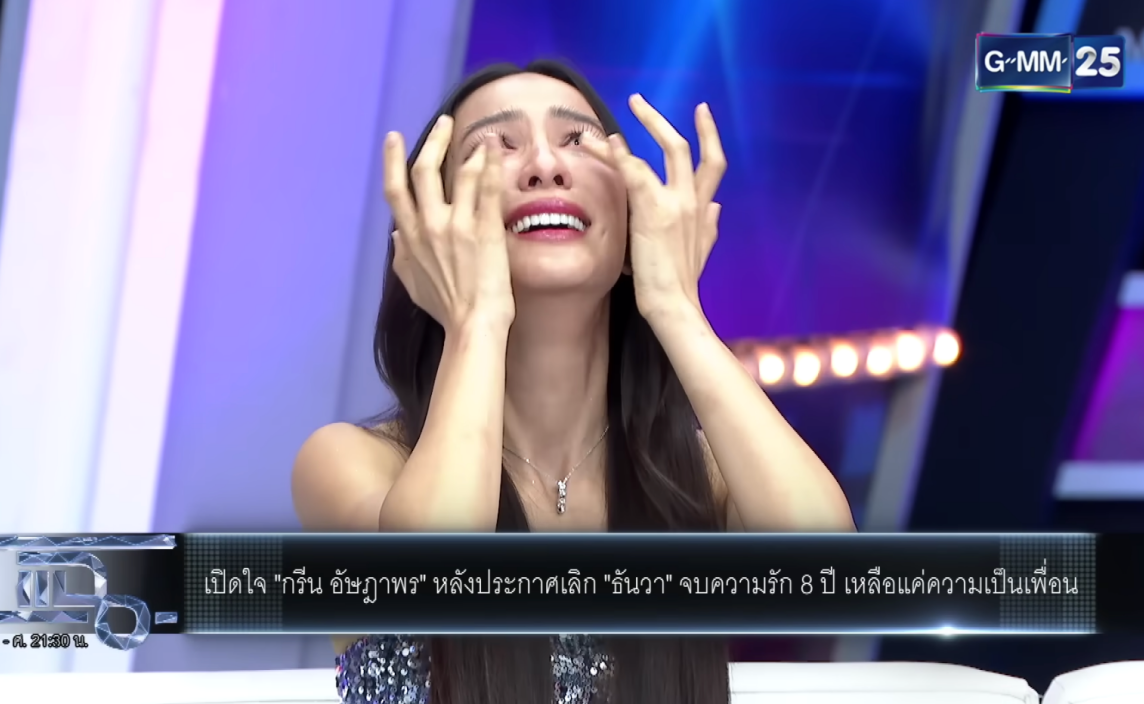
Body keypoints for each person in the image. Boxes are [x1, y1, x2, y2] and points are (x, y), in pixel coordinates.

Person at [292, 59, 856, 704]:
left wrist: (674, 303)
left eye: (577, 141)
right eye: (494, 147)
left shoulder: (695, 474)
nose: (545, 165)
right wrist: (476, 317)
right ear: (433, 236)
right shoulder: (349, 463)